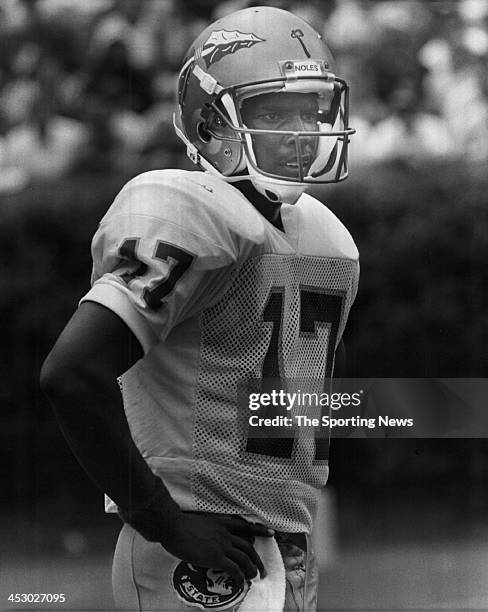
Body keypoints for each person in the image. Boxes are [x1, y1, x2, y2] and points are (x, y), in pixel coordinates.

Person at [41, 6, 359, 611]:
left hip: (286, 543)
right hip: (197, 548)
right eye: (273, 111)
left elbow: (302, 390)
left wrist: (440, 408)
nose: (300, 131)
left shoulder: (325, 236)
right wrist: (164, 520)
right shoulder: (187, 208)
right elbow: (70, 373)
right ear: (211, 122)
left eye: (309, 109)